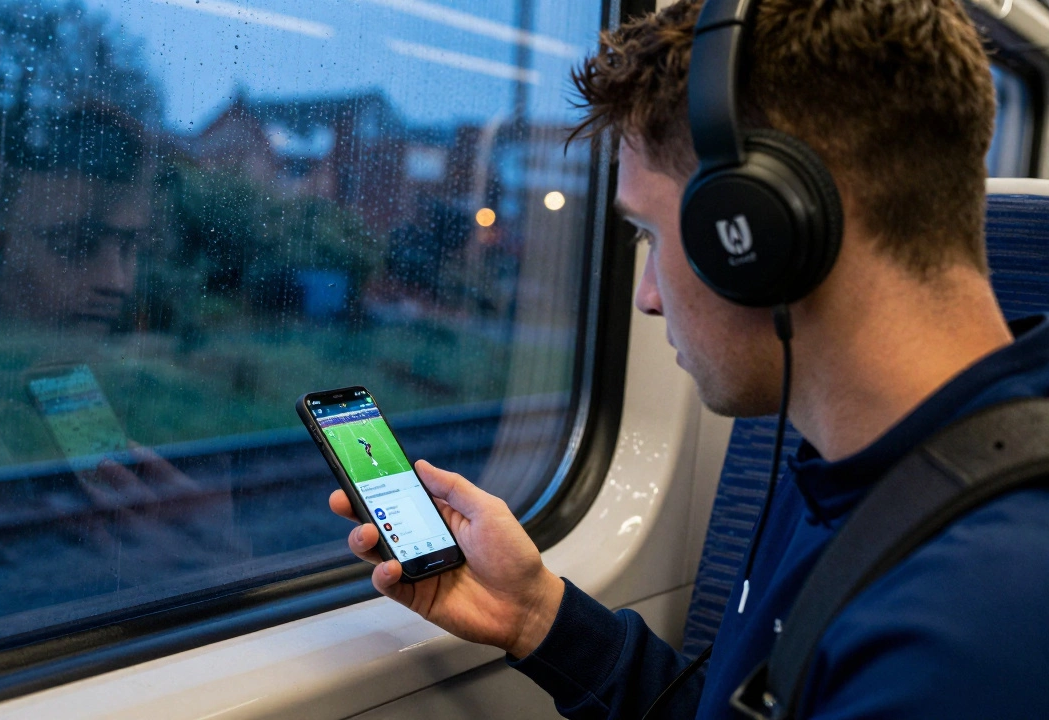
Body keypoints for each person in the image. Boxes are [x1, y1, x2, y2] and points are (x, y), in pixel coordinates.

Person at [329, 1, 1049, 717]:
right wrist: (534, 614)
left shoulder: (969, 632)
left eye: (650, 234)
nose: (645, 298)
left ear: (760, 232)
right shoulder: (846, 466)